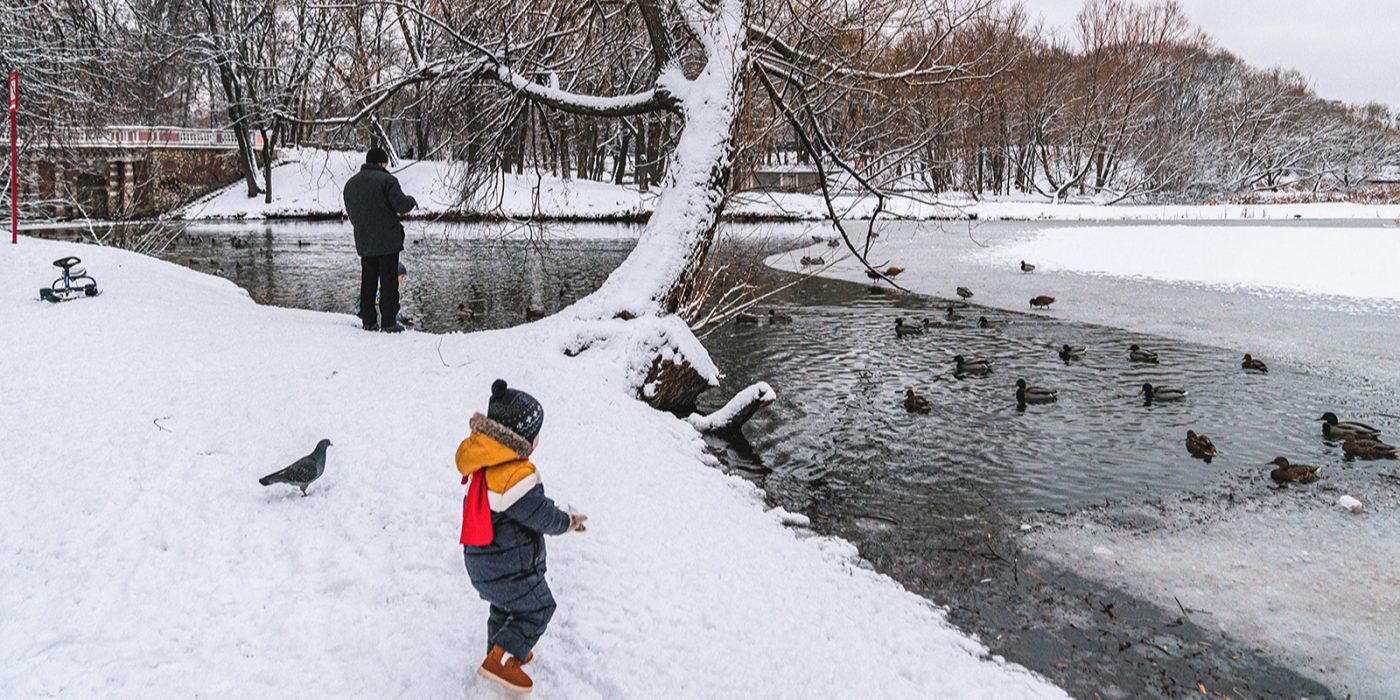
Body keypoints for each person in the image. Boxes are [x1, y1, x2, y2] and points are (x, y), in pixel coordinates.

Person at [455, 379, 587, 693]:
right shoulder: (514, 476)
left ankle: (498, 649)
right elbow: (540, 514)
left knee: (504, 608)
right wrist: (567, 521)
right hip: (507, 565)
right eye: (536, 432)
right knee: (539, 607)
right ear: (523, 437)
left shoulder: (488, 464)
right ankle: (502, 661)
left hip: (484, 562)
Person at [343, 146, 416, 332]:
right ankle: (389, 322)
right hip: (387, 241)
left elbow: (352, 214)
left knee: (368, 280)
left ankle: (368, 321)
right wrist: (412, 200)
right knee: (388, 281)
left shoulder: (350, 184)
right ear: (381, 163)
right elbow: (401, 205)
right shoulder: (388, 180)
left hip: (364, 240)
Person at [352, 260, 412, 327]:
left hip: (368, 307)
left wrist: (400, 318)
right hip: (363, 308)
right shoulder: (382, 285)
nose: (403, 280)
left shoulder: (389, 285)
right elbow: (380, 304)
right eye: (402, 277)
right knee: (383, 308)